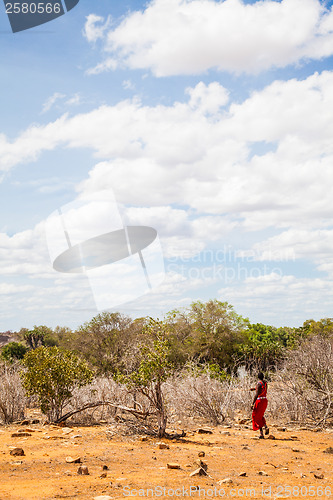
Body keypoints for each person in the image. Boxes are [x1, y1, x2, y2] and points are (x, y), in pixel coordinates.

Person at [250, 372, 269, 439]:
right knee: (260, 415)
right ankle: (265, 426)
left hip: (260, 401)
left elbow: (257, 394)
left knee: (255, 416)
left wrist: (252, 404)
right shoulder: (265, 383)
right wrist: (254, 389)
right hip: (265, 401)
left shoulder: (258, 384)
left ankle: (261, 434)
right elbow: (261, 389)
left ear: (258, 377)